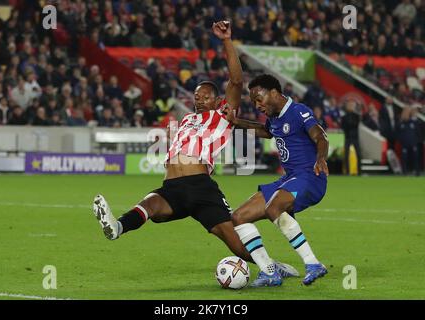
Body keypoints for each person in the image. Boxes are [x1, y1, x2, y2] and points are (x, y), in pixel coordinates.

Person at [92, 22, 297, 282]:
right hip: (173, 185)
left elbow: (235, 80)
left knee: (233, 241)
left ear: (216, 99)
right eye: (196, 95)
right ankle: (117, 226)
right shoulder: (187, 119)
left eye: (204, 96)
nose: (198, 99)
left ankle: (271, 266)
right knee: (151, 205)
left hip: (201, 187)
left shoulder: (223, 115)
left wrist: (226, 41)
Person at [223, 74, 329, 286]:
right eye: (253, 101)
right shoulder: (275, 118)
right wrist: (236, 122)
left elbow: (320, 136)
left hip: (310, 175)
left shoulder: (299, 111)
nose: (257, 105)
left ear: (274, 93)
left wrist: (321, 158)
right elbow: (266, 131)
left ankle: (312, 263)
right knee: (239, 217)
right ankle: (269, 272)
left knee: (273, 208)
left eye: (259, 98)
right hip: (289, 179)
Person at [341, 100, 361, 175]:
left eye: (352, 105)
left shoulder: (357, 116)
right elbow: (343, 127)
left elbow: (355, 125)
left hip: (355, 137)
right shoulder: (344, 117)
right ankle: (347, 172)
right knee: (346, 155)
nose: (351, 107)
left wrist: (349, 125)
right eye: (349, 105)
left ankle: (359, 171)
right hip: (348, 137)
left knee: (358, 154)